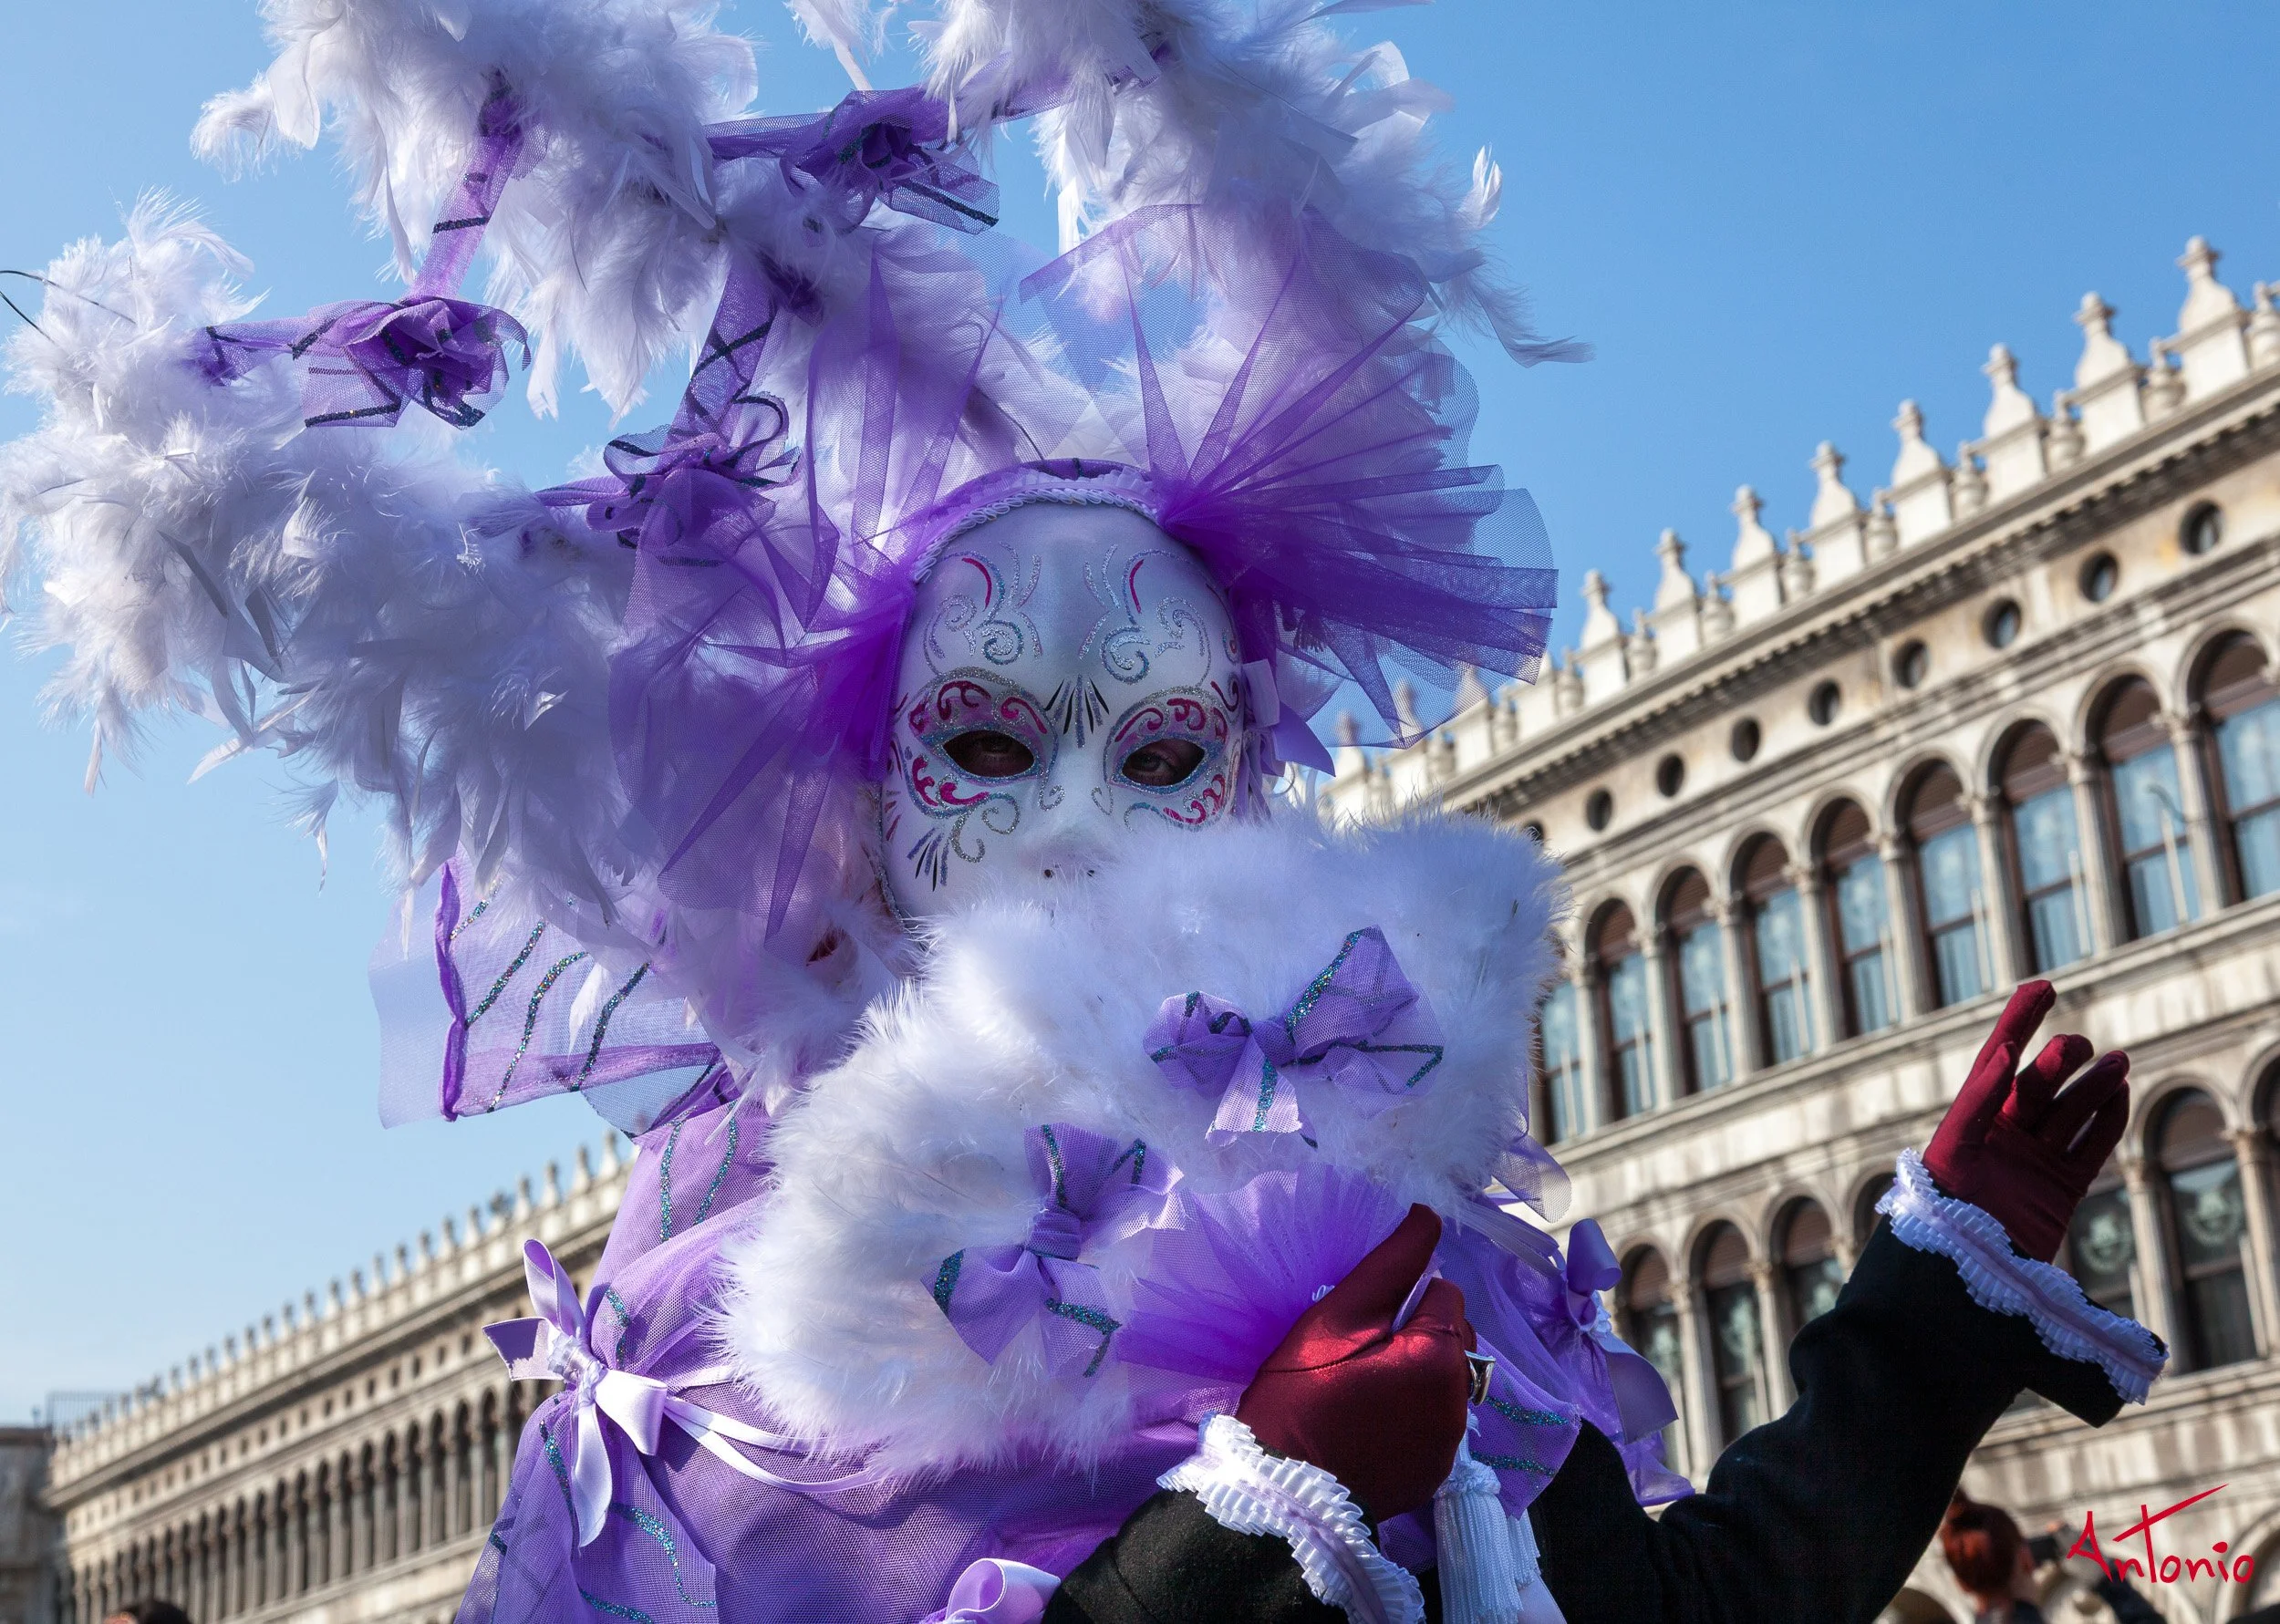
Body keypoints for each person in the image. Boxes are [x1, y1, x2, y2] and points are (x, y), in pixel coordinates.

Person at [0, 2, 2168, 1620]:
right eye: (983, 743)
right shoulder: (731, 1343)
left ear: (1243, 773)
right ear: (862, 801)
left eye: (1155, 757)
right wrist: (1244, 1522)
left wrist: (1928, 1296)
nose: (1077, 831)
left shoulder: (1400, 1236)